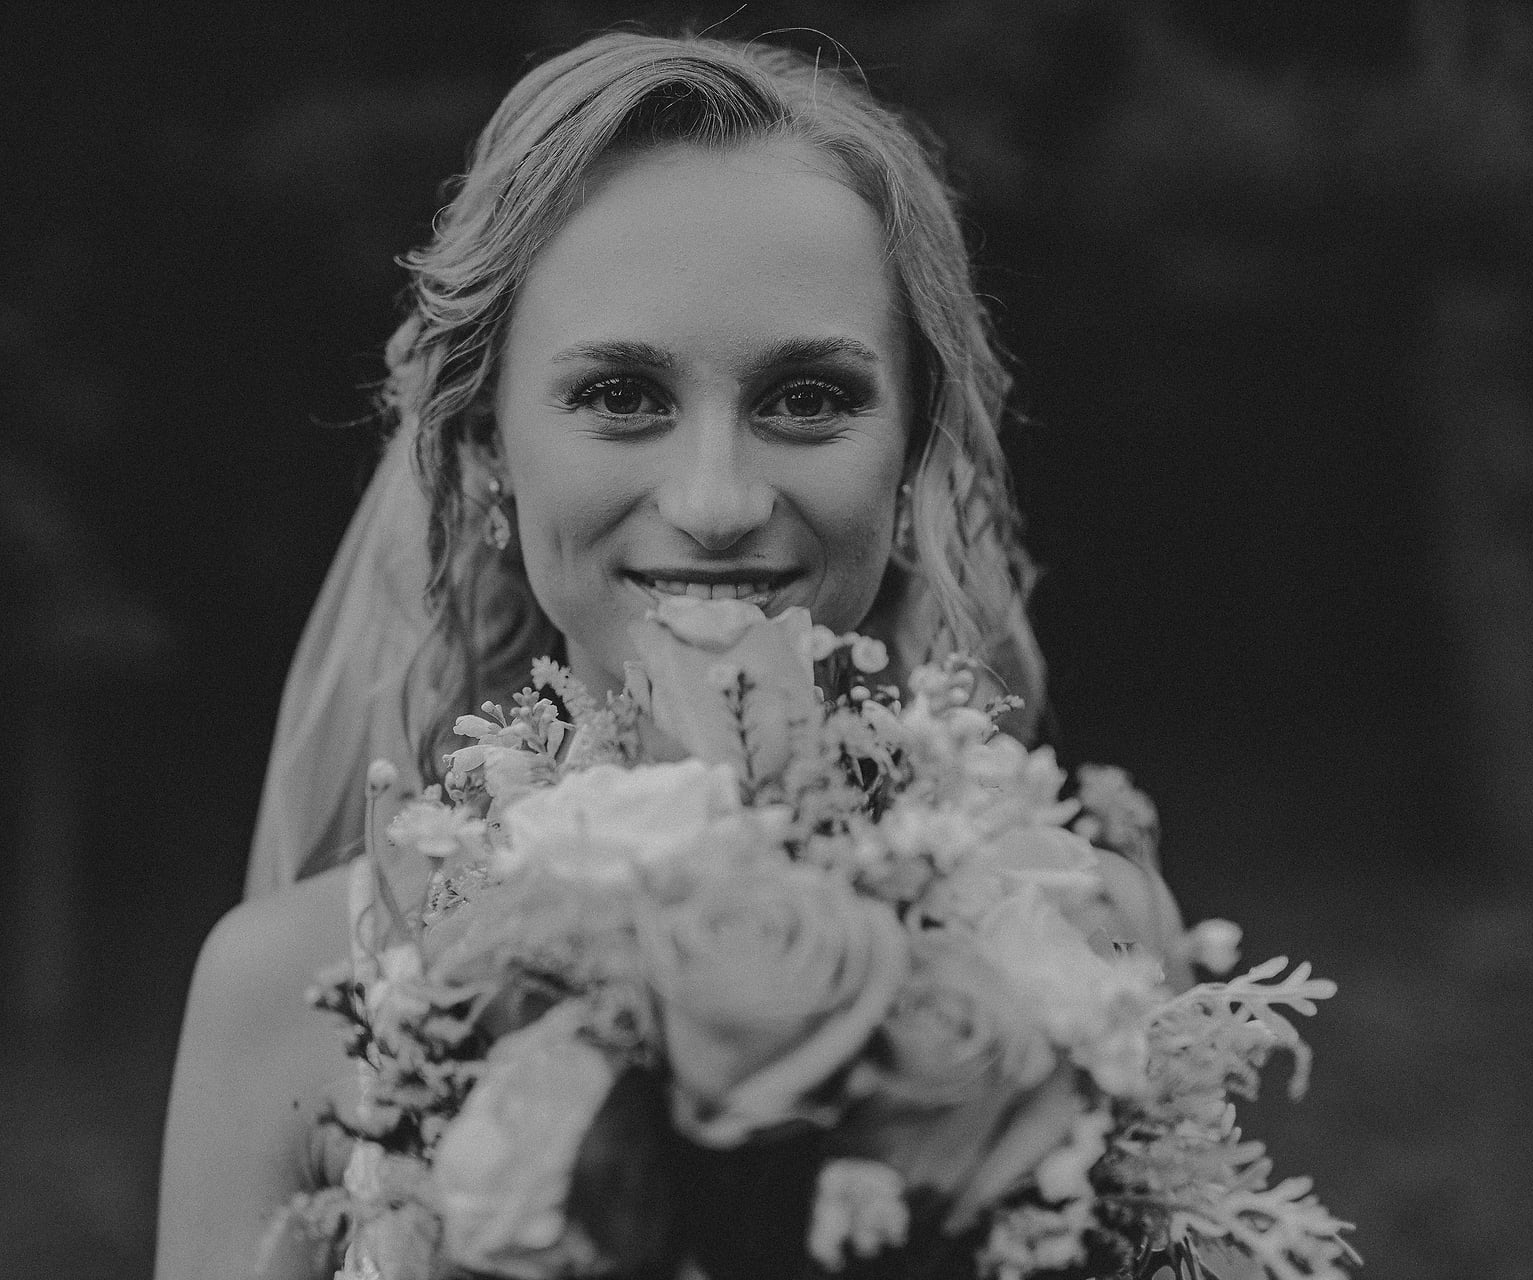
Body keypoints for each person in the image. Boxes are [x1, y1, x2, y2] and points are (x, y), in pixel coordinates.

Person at [157, 31, 1088, 1279]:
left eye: (808, 397)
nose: (715, 500)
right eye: (621, 395)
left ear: (913, 446)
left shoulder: (1084, 945)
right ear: (486, 443)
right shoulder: (286, 992)